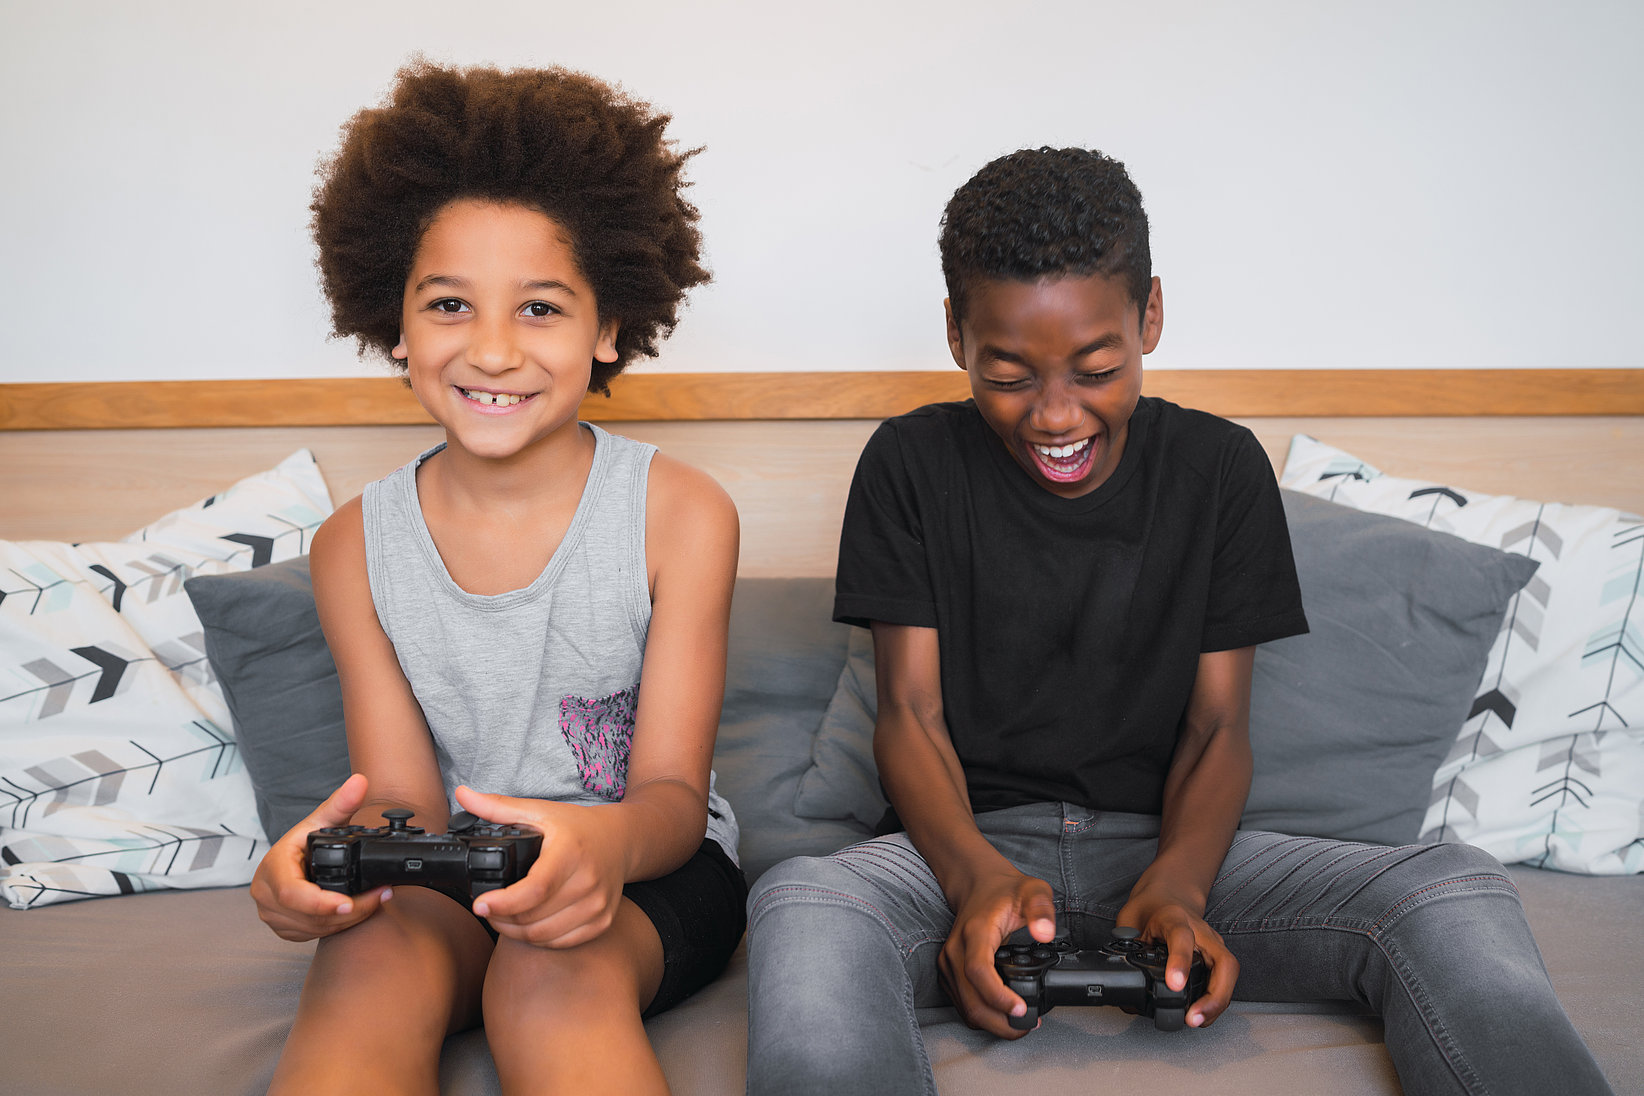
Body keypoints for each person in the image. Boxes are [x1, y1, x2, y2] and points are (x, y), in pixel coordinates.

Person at [744, 147, 1614, 1096]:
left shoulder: (1221, 471)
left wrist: (1181, 886)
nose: (1053, 414)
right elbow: (910, 717)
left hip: (1168, 848)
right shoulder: (908, 464)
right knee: (803, 899)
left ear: (1149, 315)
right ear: (955, 333)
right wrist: (973, 879)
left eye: (1097, 367)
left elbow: (1217, 726)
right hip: (960, 848)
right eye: (1008, 374)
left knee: (1450, 886)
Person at [249, 61, 746, 1095]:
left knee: (544, 976)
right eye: (448, 305)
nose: (489, 349)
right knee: (365, 963)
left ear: (609, 328)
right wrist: (321, 874)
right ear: (395, 323)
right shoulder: (351, 547)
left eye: (539, 310)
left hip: (648, 863)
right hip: (449, 865)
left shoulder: (681, 515)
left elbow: (669, 799)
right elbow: (400, 802)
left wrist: (595, 849)